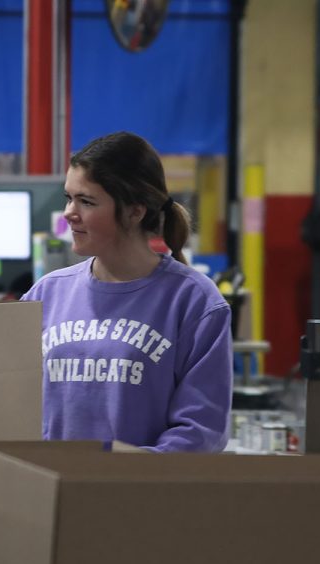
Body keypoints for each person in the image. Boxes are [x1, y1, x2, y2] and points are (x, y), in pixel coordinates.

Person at [21, 132, 232, 452]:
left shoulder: (194, 301)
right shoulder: (46, 294)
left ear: (136, 211)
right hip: (50, 488)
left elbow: (201, 430)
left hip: (137, 494)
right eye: (69, 197)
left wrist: (120, 471)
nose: (68, 213)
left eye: (86, 201)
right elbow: (8, 399)